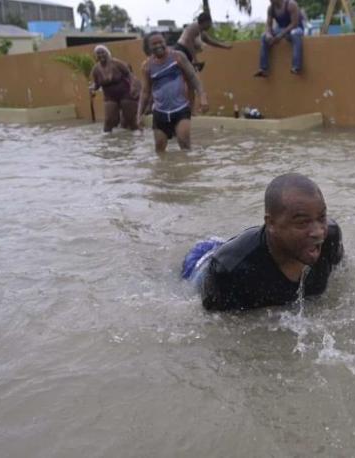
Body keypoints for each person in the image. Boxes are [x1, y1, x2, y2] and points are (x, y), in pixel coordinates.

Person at [183, 173, 344, 311]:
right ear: (271, 223)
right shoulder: (230, 270)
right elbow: (215, 324)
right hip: (202, 263)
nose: (318, 232)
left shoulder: (330, 237)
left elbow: (341, 276)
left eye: (321, 217)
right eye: (302, 222)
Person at [137, 32, 208, 153]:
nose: (158, 45)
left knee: (184, 144)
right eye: (154, 44)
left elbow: (193, 77)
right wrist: (139, 115)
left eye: (161, 42)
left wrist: (202, 97)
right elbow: (145, 92)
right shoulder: (147, 66)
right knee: (160, 150)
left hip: (181, 109)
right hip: (160, 112)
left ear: (165, 42)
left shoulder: (177, 57)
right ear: (148, 48)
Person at [90, 45, 138, 133]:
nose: (101, 55)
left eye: (103, 52)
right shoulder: (95, 69)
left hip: (125, 93)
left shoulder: (117, 63)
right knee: (108, 121)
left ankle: (137, 136)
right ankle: (108, 139)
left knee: (130, 119)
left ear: (107, 53)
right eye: (98, 53)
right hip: (109, 96)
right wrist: (93, 88)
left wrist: (133, 86)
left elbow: (129, 74)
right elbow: (97, 84)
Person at [254, 0, 305, 77]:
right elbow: (268, 24)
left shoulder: (291, 4)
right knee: (263, 36)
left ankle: (296, 67)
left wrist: (280, 35)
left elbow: (294, 24)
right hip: (281, 29)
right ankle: (263, 69)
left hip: (295, 28)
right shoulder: (271, 8)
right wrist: (268, 33)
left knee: (295, 34)